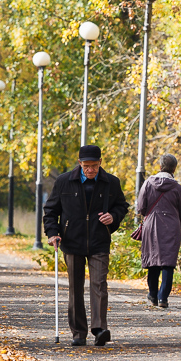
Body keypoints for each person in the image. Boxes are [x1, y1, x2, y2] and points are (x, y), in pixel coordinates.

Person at [43, 145, 129, 346]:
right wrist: (53, 233)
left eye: (95, 166)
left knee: (99, 284)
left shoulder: (111, 183)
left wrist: (113, 217)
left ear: (101, 163)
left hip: (99, 241)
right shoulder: (64, 182)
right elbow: (50, 211)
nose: (91, 170)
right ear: (79, 163)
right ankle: (78, 333)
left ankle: (99, 329)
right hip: (71, 241)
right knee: (75, 288)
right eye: (87, 166)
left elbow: (121, 206)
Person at [136, 154, 181, 309]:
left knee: (153, 261)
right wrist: (179, 225)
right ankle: (163, 297)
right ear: (174, 169)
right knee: (168, 263)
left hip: (151, 224)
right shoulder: (177, 187)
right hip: (171, 225)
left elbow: (140, 208)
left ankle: (152, 295)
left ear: (160, 167)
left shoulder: (148, 184)